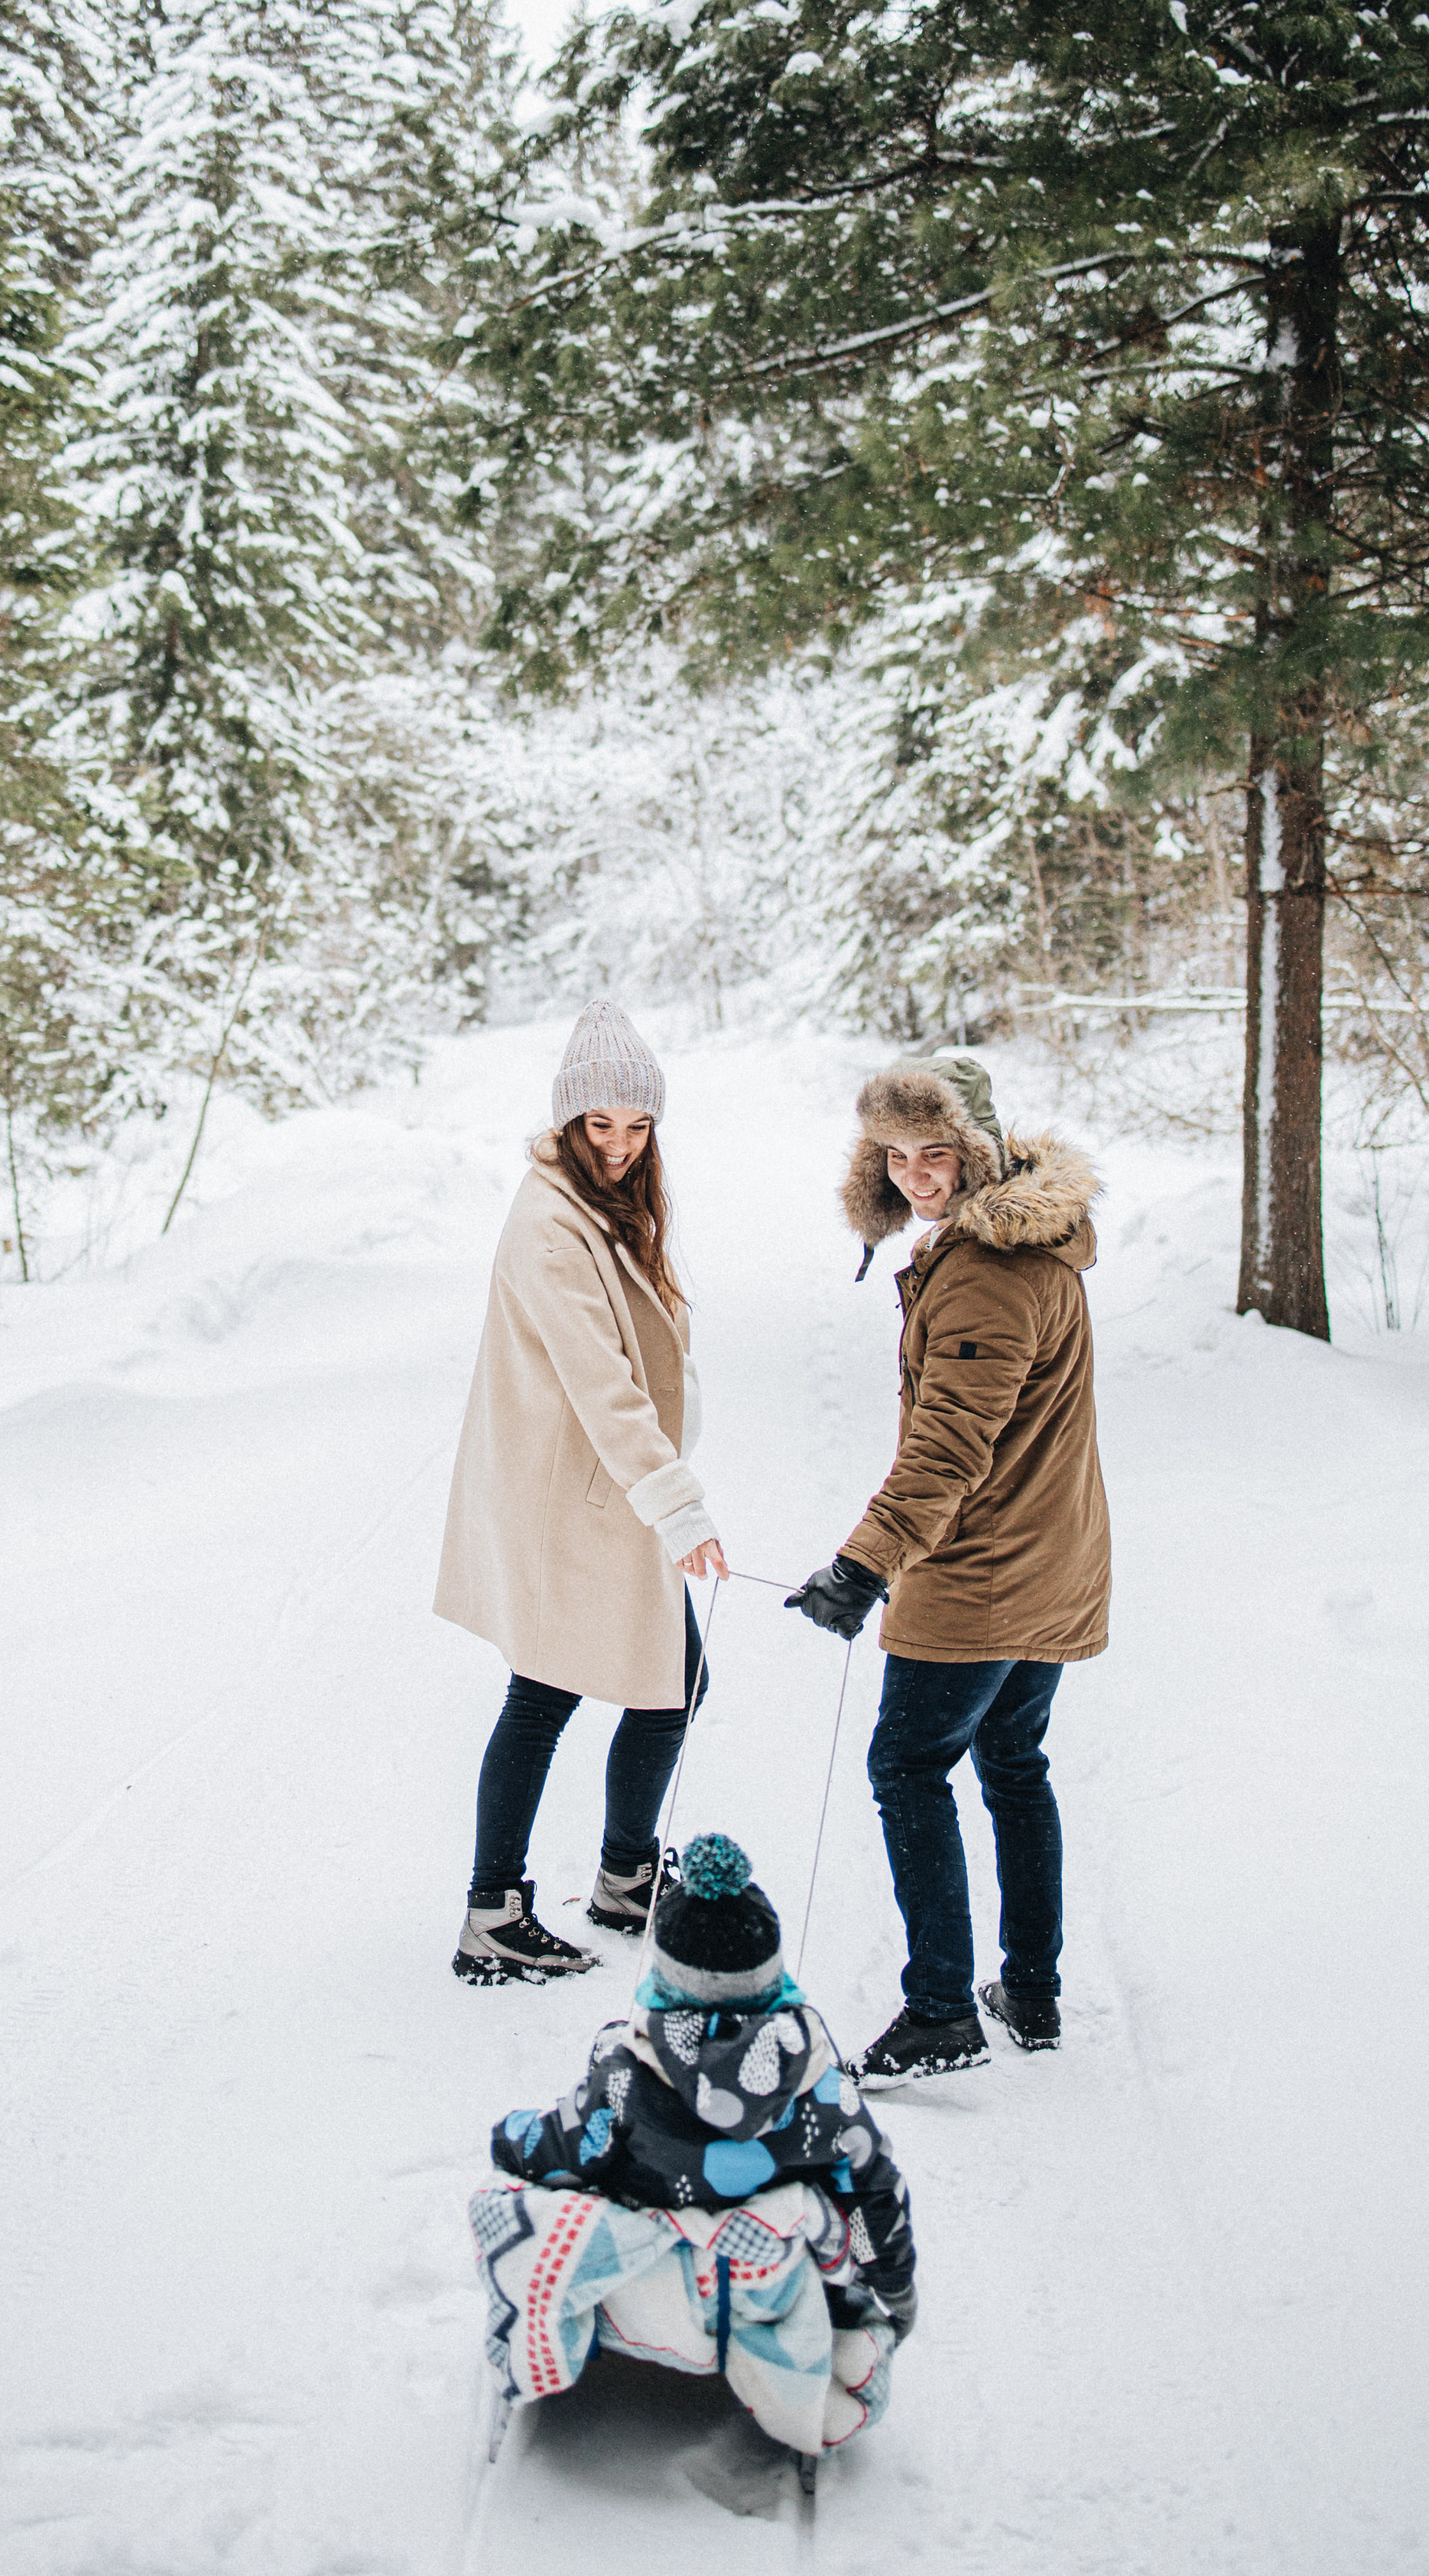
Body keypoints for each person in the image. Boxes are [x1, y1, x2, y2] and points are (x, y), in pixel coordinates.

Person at [786, 1051, 1109, 2085]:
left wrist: (862, 1566)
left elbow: (947, 1450)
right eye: (894, 1155)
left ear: (979, 1149)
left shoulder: (984, 1276)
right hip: (1050, 1562)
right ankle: (1031, 1991)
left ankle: (938, 2012)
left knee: (906, 1767)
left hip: (982, 1577)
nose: (915, 1175)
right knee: (1013, 1765)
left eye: (935, 1153)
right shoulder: (1032, 1243)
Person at [434, 999, 727, 1985]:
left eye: (636, 1125)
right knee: (549, 1691)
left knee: (667, 1680)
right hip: (573, 1497)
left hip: (599, 1493)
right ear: (568, 1118)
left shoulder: (604, 1202)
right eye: (599, 1123)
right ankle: (495, 1912)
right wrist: (677, 1505)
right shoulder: (552, 1225)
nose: (617, 1143)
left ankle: (622, 1879)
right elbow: (604, 1384)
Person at [470, 1834, 916, 2451]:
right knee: (833, 2221)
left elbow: (556, 2149)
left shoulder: (627, 2079)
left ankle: (556, 2336)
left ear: (666, 1977)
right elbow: (875, 2191)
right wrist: (894, 2291)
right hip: (764, 2299)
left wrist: (510, 2140)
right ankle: (819, 2363)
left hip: (641, 2298)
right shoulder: (820, 2091)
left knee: (531, 2200)